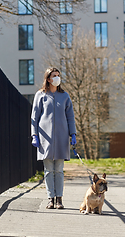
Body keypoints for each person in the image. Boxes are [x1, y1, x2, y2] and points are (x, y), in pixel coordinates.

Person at [31, 67, 77, 209]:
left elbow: (70, 116)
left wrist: (73, 134)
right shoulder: (40, 95)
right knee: (49, 170)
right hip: (45, 139)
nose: (57, 78)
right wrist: (34, 135)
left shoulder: (65, 96)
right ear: (48, 79)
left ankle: (59, 199)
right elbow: (34, 116)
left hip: (62, 138)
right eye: (54, 76)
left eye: (58, 75)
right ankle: (50, 198)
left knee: (59, 170)